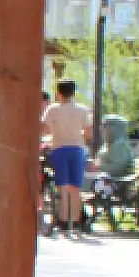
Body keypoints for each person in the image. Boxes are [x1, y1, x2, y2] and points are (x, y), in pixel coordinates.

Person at [42, 77, 93, 236]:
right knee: (75, 187)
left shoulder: (53, 109)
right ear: (73, 92)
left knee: (62, 187)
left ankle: (63, 222)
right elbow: (88, 132)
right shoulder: (82, 110)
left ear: (58, 93)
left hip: (59, 148)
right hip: (77, 148)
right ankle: (76, 221)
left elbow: (45, 128)